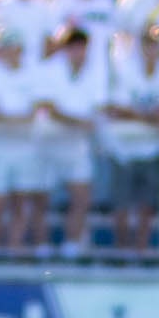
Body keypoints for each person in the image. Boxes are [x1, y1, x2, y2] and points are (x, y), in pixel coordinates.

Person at [98, 22, 159, 254]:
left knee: (147, 204)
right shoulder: (125, 68)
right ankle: (122, 250)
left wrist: (141, 115)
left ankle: (141, 250)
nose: (152, 49)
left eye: (156, 44)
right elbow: (117, 108)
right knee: (121, 203)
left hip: (152, 148)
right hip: (124, 148)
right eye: (148, 43)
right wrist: (151, 118)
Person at [34, 25, 107, 255]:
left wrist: (83, 123)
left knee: (81, 196)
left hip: (77, 145)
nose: (78, 52)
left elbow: (97, 108)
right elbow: (48, 108)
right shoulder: (49, 70)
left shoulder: (95, 73)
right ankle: (41, 245)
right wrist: (80, 122)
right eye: (73, 47)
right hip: (49, 142)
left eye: (81, 47)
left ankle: (72, 244)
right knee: (41, 197)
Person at [0, 33, 46, 256]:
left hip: (25, 148)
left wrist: (10, 121)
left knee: (20, 200)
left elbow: (33, 112)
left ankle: (14, 248)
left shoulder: (33, 73)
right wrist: (16, 121)